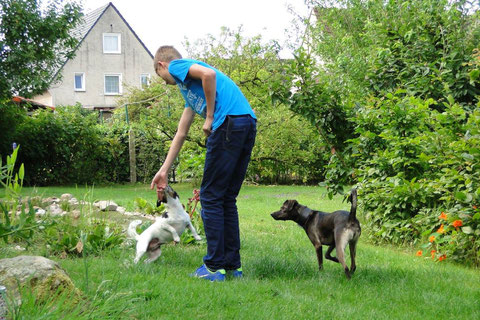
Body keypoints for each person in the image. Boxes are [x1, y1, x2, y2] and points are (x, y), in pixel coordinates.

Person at [150, 46, 257, 282]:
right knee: (225, 198)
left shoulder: (178, 66)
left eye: (161, 78)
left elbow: (209, 76)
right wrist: (164, 170)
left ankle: (214, 266)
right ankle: (232, 266)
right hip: (246, 123)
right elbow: (181, 133)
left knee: (210, 197)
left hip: (227, 123)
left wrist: (209, 116)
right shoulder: (190, 92)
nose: (165, 82)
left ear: (161, 66)